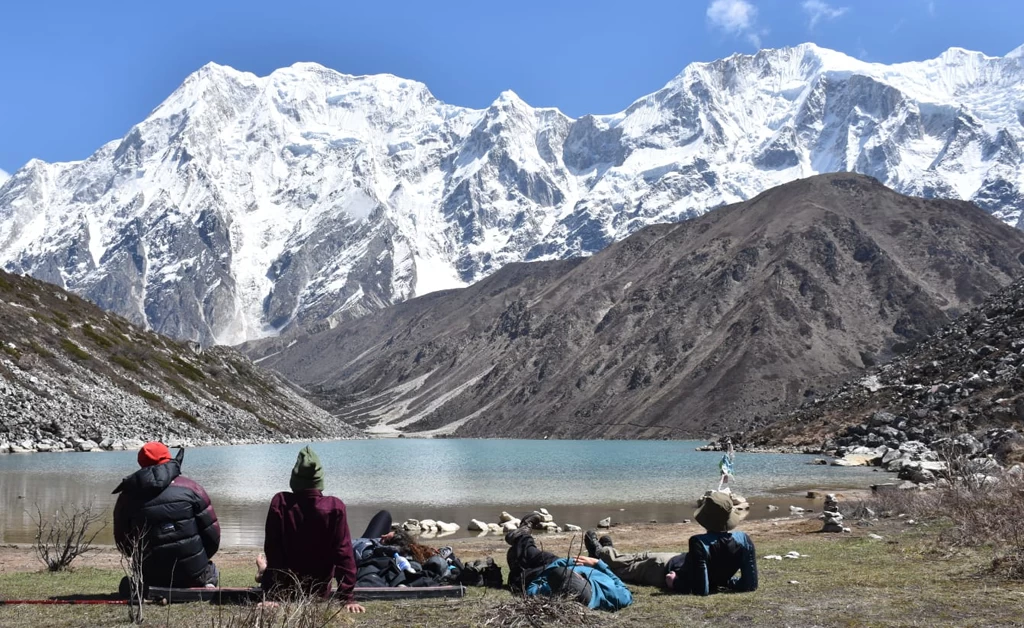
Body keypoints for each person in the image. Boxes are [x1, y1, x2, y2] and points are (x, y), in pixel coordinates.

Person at [583, 491, 757, 595]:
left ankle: (600, 556)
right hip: (676, 560)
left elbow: (701, 589)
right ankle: (605, 552)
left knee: (628, 570)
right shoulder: (744, 541)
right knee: (635, 557)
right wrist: (726, 581)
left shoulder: (700, 542)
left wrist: (675, 584)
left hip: (666, 570)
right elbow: (750, 584)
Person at [260, 446, 365, 613]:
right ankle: (262, 570)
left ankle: (262, 570)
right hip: (318, 592)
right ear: (320, 480)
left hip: (284, 590)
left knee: (268, 562)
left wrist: (274, 594)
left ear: (294, 479)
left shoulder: (280, 503)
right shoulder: (334, 507)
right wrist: (347, 598)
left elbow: (273, 550)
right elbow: (343, 553)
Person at [112, 443, 220, 589]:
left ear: (141, 463)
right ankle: (206, 582)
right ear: (168, 457)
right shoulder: (192, 488)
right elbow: (212, 536)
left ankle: (143, 585)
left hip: (150, 577)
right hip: (193, 575)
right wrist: (199, 557)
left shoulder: (126, 497)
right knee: (210, 569)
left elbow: (123, 543)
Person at [505, 513, 632, 612]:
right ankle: (522, 538)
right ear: (583, 580)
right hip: (565, 563)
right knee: (531, 553)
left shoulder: (554, 595)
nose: (576, 574)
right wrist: (598, 564)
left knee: (524, 560)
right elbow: (622, 586)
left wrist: (560, 566)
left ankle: (521, 536)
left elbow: (531, 591)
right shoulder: (618, 597)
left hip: (539, 575)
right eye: (577, 576)